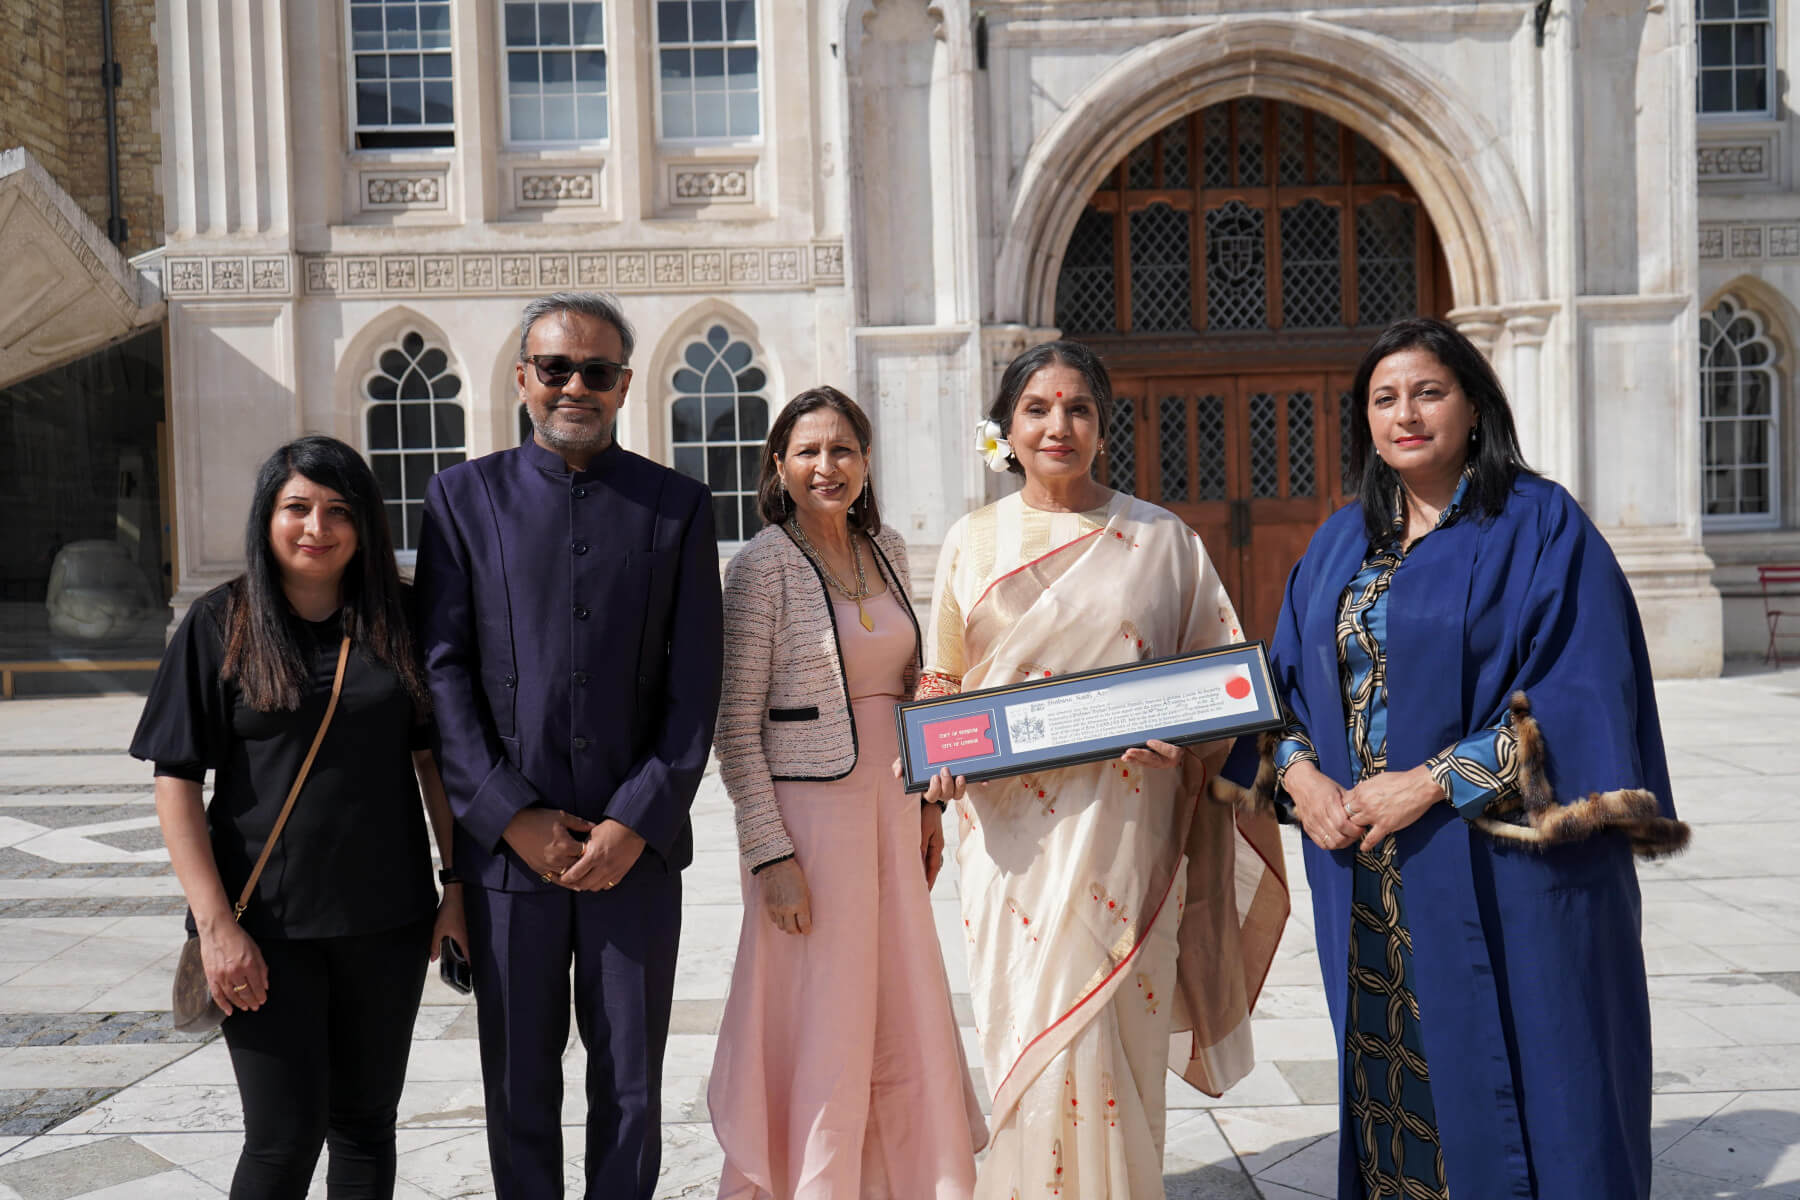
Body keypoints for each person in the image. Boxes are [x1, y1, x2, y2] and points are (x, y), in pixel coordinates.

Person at [1215, 317, 1689, 1200]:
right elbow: (1277, 691)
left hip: (1509, 871)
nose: (1406, 414)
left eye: (1429, 391)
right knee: (1397, 1075)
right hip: (1368, 872)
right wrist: (1300, 777)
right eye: (1384, 399)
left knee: (1542, 1068)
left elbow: (1587, 696)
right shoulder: (1340, 544)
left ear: (1473, 405)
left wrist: (1433, 782)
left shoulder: (1542, 528)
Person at [921, 340, 1289, 1198]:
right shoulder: (972, 540)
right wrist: (934, 758)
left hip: (1131, 830)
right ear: (1005, 429)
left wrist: (1188, 738)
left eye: (1078, 408)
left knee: (1117, 1031)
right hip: (1011, 847)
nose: (1059, 426)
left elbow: (1226, 687)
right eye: (1038, 409)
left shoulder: (1162, 539)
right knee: (1028, 1026)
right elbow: (941, 680)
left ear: (1101, 424)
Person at [414, 291, 724, 1200]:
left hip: (636, 855)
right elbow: (445, 672)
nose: (575, 386)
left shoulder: (677, 505)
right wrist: (510, 816)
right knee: (517, 1082)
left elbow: (694, 683)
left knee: (631, 1084)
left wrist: (635, 820)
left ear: (626, 384)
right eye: (556, 368)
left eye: (596, 370)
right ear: (523, 380)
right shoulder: (461, 499)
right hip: (509, 860)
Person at [131, 435, 465, 1199]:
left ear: (367, 525)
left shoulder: (401, 617)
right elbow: (176, 782)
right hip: (263, 928)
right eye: (299, 507)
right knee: (282, 1141)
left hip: (387, 920)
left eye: (340, 510)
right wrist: (217, 929)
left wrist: (458, 889)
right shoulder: (223, 623)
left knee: (365, 1127)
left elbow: (433, 763)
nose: (318, 527)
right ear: (268, 516)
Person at [708, 387, 986, 1199]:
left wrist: (930, 806)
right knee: (822, 1008)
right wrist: (770, 856)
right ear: (779, 467)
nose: (826, 467)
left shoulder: (890, 548)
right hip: (810, 824)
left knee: (898, 995)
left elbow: (913, 684)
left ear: (866, 462)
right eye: (808, 452)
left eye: (842, 451)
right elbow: (735, 728)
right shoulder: (761, 567)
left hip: (893, 815)